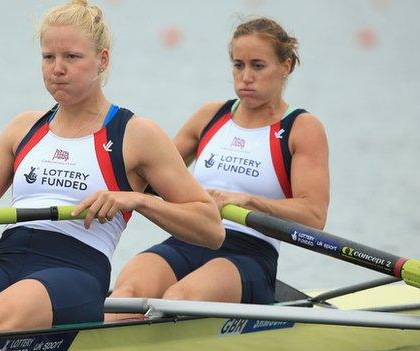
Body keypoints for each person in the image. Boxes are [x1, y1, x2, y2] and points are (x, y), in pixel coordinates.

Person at [0, 0, 224, 334]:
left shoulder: (136, 134)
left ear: (102, 60)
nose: (57, 68)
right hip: (5, 257)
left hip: (75, 270)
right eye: (48, 57)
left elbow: (212, 229)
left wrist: (139, 201)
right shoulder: (23, 128)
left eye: (71, 57)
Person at [107, 17, 329, 319]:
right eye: (238, 65)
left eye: (258, 65)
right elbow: (149, 176)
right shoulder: (210, 116)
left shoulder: (301, 128)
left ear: (286, 65)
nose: (245, 77)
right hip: (190, 237)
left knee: (177, 299)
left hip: (248, 253)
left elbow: (314, 215)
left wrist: (248, 201)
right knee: (125, 296)